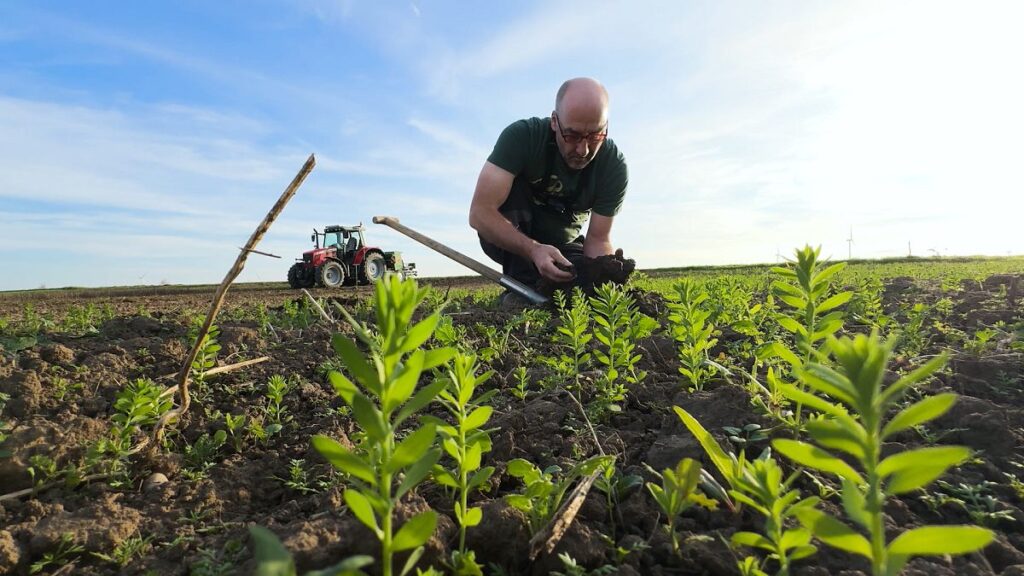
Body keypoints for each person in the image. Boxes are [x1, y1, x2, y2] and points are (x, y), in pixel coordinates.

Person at [469, 77, 628, 289]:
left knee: (583, 279)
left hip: (563, 247)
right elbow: (480, 213)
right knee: (514, 192)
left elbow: (598, 239)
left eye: (595, 136)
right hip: (512, 238)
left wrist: (604, 276)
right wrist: (533, 249)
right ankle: (522, 290)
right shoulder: (523, 138)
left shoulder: (613, 166)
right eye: (572, 135)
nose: (584, 150)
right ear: (554, 121)